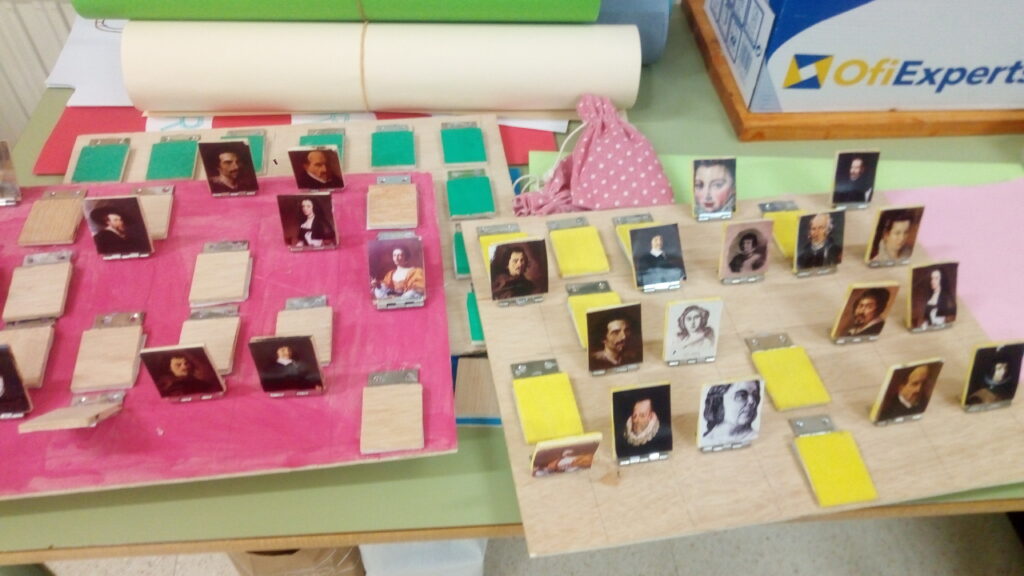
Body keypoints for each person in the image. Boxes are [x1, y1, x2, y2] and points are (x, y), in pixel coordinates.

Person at [701, 380, 761, 446]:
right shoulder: (705, 439)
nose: (752, 402)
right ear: (719, 401)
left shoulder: (754, 438)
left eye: (755, 395)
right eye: (742, 395)